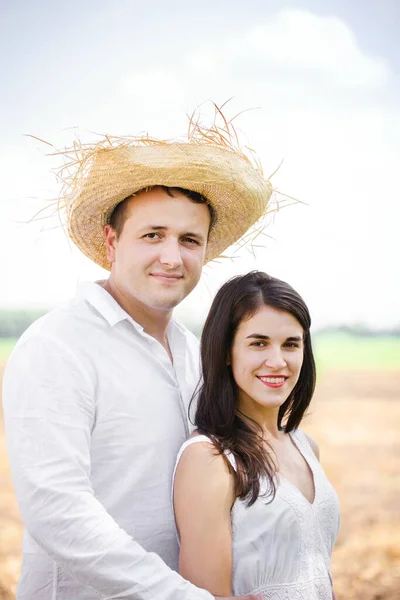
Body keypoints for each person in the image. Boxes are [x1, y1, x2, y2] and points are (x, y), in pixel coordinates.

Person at [2, 114, 273, 600]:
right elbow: (58, 512)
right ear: (111, 242)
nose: (173, 257)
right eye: (153, 235)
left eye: (190, 240)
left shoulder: (197, 354)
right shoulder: (57, 346)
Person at [173, 271, 340, 600]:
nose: (277, 361)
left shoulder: (306, 447)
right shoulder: (211, 460)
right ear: (225, 351)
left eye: (291, 344)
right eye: (259, 343)